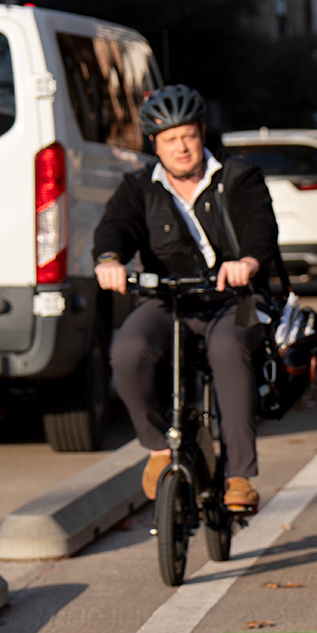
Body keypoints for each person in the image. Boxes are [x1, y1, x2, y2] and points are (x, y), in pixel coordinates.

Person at [93, 84, 280, 514]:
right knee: (128, 350)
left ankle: (238, 475)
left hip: (232, 298)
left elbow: (260, 229)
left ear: (201, 133)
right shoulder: (138, 187)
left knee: (229, 350)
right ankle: (158, 446)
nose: (181, 147)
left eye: (188, 135)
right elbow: (114, 228)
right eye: (169, 139)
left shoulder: (238, 178)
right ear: (155, 144)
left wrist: (248, 262)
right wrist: (109, 260)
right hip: (170, 299)